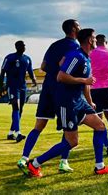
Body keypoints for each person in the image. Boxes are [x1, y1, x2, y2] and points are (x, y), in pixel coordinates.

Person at [22, 28, 108, 177]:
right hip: (67, 104)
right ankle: (34, 164)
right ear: (89, 40)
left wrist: (90, 101)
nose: (95, 40)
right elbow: (61, 76)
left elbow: (85, 84)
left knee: (100, 126)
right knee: (72, 142)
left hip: (80, 102)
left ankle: (100, 166)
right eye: (93, 37)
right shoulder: (76, 56)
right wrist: (84, 80)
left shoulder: (86, 58)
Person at [18, 19, 80, 173]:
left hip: (47, 88)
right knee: (68, 128)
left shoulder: (54, 45)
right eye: (79, 26)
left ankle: (24, 158)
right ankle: (63, 162)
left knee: (38, 126)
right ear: (73, 29)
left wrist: (55, 69)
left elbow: (44, 66)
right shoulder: (75, 46)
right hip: (62, 91)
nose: (80, 28)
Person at [0, 40, 36, 142]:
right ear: (16, 47)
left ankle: (11, 132)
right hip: (12, 86)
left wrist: (34, 80)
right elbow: (3, 71)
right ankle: (18, 133)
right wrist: (0, 85)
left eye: (24, 45)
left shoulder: (27, 59)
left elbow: (30, 71)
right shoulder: (10, 57)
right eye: (21, 45)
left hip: (22, 87)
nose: (24, 47)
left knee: (20, 109)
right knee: (16, 107)